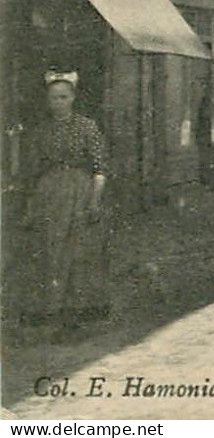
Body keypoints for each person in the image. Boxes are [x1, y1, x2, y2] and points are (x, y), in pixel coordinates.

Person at [19, 70, 110, 338]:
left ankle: (78, 311)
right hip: (48, 195)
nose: (58, 102)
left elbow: (100, 167)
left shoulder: (87, 127)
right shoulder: (41, 131)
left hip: (79, 193)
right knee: (50, 252)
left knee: (79, 252)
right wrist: (31, 203)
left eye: (63, 97)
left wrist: (94, 200)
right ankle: (53, 310)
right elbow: (32, 170)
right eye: (53, 98)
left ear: (73, 98)